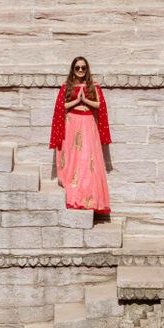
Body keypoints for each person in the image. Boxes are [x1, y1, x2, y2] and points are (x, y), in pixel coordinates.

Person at [49, 56, 111, 212]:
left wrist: (85, 100)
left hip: (88, 122)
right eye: (77, 68)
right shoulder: (67, 86)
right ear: (73, 69)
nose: (81, 70)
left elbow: (99, 105)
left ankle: (89, 198)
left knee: (88, 158)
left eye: (83, 68)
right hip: (72, 123)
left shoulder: (93, 85)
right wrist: (77, 100)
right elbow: (61, 106)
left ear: (87, 69)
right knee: (74, 158)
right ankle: (75, 195)